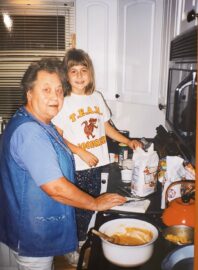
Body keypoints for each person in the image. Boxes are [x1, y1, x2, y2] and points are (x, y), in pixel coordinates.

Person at [0, 57, 126, 270]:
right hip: (32, 236)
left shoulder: (35, 121)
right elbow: (56, 188)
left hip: (19, 226)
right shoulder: (31, 133)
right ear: (29, 93)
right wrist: (95, 203)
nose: (55, 97)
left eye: (59, 90)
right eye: (46, 90)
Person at [52, 48, 142, 262]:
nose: (80, 75)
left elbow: (106, 127)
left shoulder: (96, 97)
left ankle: (84, 240)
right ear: (66, 74)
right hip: (79, 166)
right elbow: (57, 137)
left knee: (95, 205)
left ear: (90, 73)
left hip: (100, 164)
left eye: (84, 70)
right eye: (73, 71)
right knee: (81, 208)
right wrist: (81, 151)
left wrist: (127, 141)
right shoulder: (64, 102)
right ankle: (74, 248)